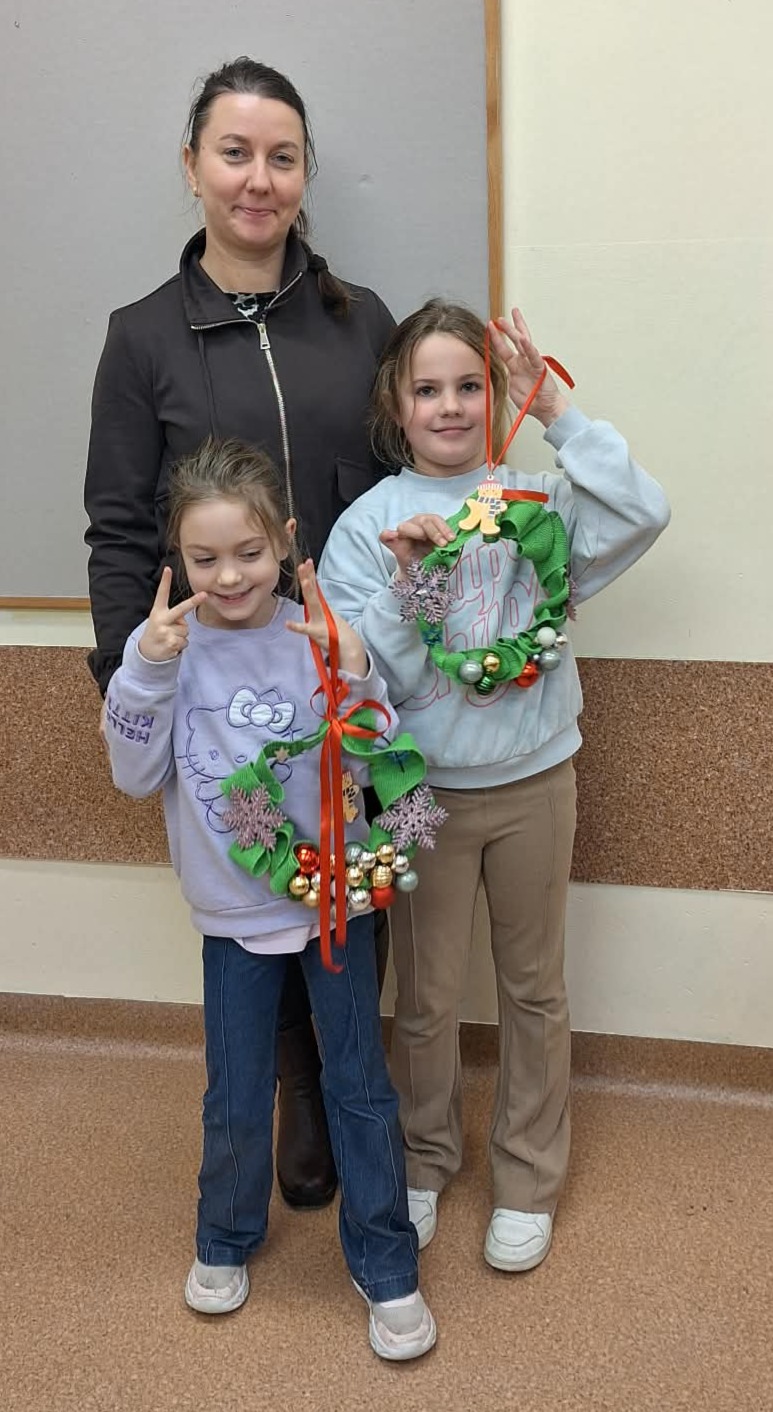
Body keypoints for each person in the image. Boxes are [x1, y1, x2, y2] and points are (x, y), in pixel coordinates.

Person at [84, 58, 396, 1211]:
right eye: (233, 153)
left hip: (343, 680)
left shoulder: (360, 321)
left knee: (354, 883)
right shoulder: (141, 337)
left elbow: (405, 480)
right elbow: (119, 526)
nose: (256, 179)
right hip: (218, 695)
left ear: (305, 175)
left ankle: (342, 1079)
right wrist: (129, 678)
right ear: (192, 166)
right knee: (254, 892)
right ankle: (290, 1085)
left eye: (280, 157)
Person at [318, 300, 671, 1272]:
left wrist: (555, 410)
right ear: (394, 403)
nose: (449, 405)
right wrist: (412, 588)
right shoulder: (367, 524)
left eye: (469, 385)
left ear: (493, 394)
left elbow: (642, 513)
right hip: (419, 787)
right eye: (426, 388)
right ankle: (425, 1158)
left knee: (532, 987)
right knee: (426, 994)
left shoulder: (539, 498)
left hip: (533, 779)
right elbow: (365, 683)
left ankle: (526, 1175)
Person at [103, 438, 436, 1360]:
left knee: (359, 1086)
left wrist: (355, 670)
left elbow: (381, 762)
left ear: (286, 541)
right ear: (177, 558)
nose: (228, 576)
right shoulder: (165, 651)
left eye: (249, 553)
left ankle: (385, 1261)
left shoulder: (319, 632)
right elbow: (133, 776)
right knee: (237, 1090)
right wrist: (147, 671)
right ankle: (224, 1237)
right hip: (233, 912)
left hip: (337, 905)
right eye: (204, 558)